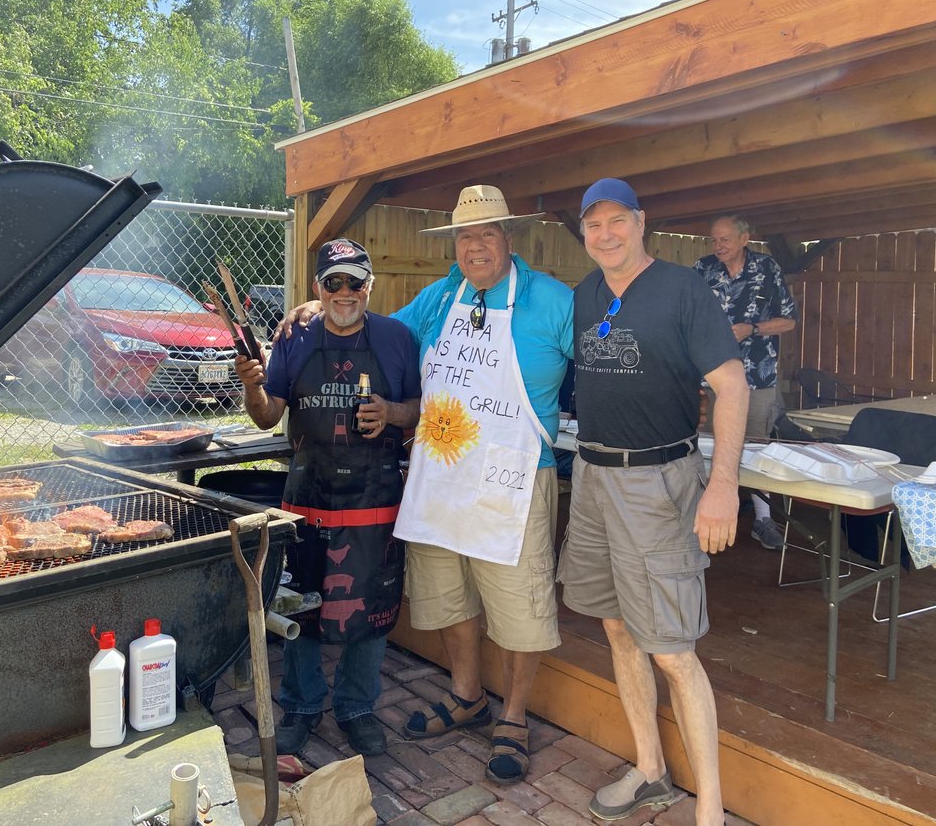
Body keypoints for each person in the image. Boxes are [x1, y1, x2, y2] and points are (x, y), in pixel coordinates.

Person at [277, 185, 574, 784]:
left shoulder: (553, 301)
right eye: (465, 236)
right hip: (442, 475)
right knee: (448, 596)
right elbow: (373, 326)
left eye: (487, 233)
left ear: (508, 240)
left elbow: (593, 371)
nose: (476, 246)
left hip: (513, 480)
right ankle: (467, 697)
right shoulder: (441, 297)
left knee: (519, 608)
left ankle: (513, 716)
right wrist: (307, 314)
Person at [558, 178, 748, 824]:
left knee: (671, 648)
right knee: (616, 625)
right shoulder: (584, 295)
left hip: (659, 481)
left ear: (640, 223)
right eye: (593, 225)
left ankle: (711, 810)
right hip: (592, 477)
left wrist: (722, 484)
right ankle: (651, 770)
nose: (605, 235)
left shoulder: (681, 290)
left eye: (616, 221)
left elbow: (732, 386)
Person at [233, 238, 421, 758]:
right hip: (307, 494)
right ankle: (302, 706)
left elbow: (421, 408)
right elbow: (268, 415)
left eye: (355, 281)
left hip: (375, 497)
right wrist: (252, 386)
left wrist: (392, 413)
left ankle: (358, 707)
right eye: (333, 282)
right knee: (301, 604)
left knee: (373, 602)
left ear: (369, 286)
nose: (345, 292)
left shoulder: (398, 337)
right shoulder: (294, 334)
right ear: (317, 287)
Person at [693, 214, 798, 551]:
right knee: (706, 450)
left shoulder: (768, 269)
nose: (718, 246)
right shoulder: (702, 269)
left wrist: (752, 329)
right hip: (709, 378)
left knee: (756, 449)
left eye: (724, 239)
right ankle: (701, 522)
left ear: (744, 239)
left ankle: (763, 520)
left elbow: (788, 322)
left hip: (758, 376)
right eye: (714, 240)